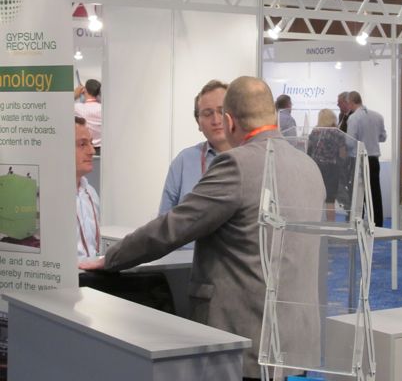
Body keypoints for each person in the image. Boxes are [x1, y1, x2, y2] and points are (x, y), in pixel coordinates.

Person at [80, 76, 326, 380]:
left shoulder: (236, 165)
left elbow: (172, 227)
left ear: (230, 121)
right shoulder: (308, 167)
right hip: (292, 341)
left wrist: (111, 257)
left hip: (244, 338)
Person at [159, 79, 230, 214]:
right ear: (198, 122)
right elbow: (164, 220)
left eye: (222, 111)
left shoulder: (252, 159)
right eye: (207, 114)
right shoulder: (184, 162)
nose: (216, 120)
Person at [346, 91, 387, 227]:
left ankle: (357, 223)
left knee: (358, 193)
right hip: (374, 160)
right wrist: (371, 139)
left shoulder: (353, 118)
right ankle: (378, 224)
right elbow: (383, 137)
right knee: (375, 192)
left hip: (358, 159)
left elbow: (350, 142)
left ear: (351, 102)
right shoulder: (378, 116)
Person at [308, 108, 346, 221]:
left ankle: (314, 224)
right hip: (332, 169)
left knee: (315, 198)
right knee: (330, 201)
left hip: (316, 168)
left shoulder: (315, 132)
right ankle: (331, 226)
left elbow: (309, 150)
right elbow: (343, 154)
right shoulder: (338, 133)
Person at [75, 116, 100, 259]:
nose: (92, 151)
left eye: (91, 143)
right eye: (82, 144)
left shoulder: (90, 192)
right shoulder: (49, 198)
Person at [74, 79, 102, 154]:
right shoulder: (102, 108)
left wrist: (75, 95)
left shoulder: (78, 108)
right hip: (102, 149)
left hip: (86, 148)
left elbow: (63, 107)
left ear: (84, 90)